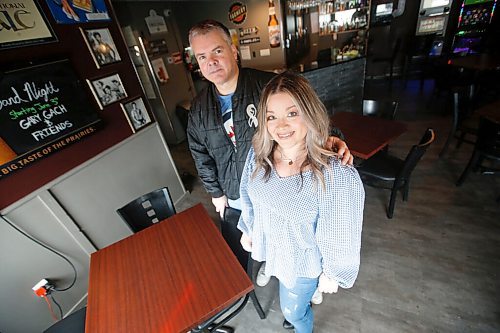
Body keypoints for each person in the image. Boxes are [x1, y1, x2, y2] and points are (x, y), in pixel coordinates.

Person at [186, 19, 353, 320]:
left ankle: (303, 283)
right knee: (257, 236)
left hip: (284, 182)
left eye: (217, 51)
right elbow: (200, 153)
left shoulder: (267, 85)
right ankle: (271, 264)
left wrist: (333, 139)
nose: (210, 62)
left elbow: (309, 115)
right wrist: (216, 194)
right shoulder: (199, 108)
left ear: (233, 51)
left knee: (292, 231)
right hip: (237, 192)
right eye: (201, 57)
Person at [237, 71, 364, 333]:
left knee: (293, 311)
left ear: (310, 113)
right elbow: (249, 196)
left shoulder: (333, 171)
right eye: (271, 116)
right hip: (275, 248)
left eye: (292, 114)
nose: (280, 126)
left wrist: (332, 272)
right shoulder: (259, 153)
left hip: (303, 262)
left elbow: (341, 231)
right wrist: (248, 227)